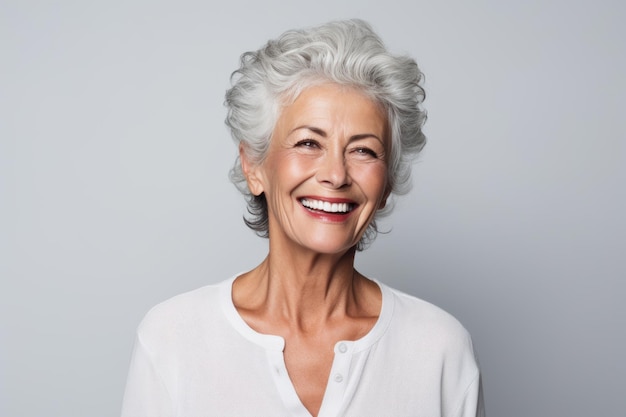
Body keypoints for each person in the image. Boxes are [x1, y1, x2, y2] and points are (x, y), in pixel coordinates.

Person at [121, 19, 484, 417]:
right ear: (254, 165)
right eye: (309, 143)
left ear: (387, 184)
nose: (336, 174)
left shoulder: (439, 348)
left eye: (363, 151)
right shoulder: (172, 338)